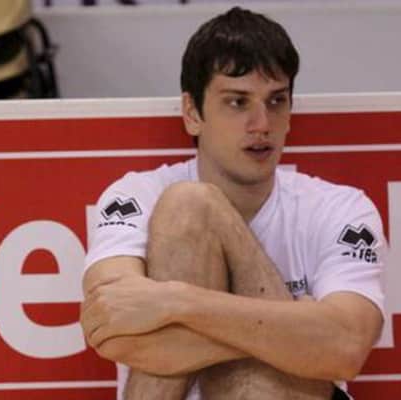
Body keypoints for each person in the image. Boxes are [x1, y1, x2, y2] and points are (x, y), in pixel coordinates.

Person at [80, 6, 385, 400]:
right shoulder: (135, 196)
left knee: (194, 205)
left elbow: (345, 347)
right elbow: (112, 329)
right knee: (190, 206)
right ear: (192, 113)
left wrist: (176, 303)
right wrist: (295, 327)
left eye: (276, 101)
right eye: (238, 102)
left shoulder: (341, 208)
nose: (262, 124)